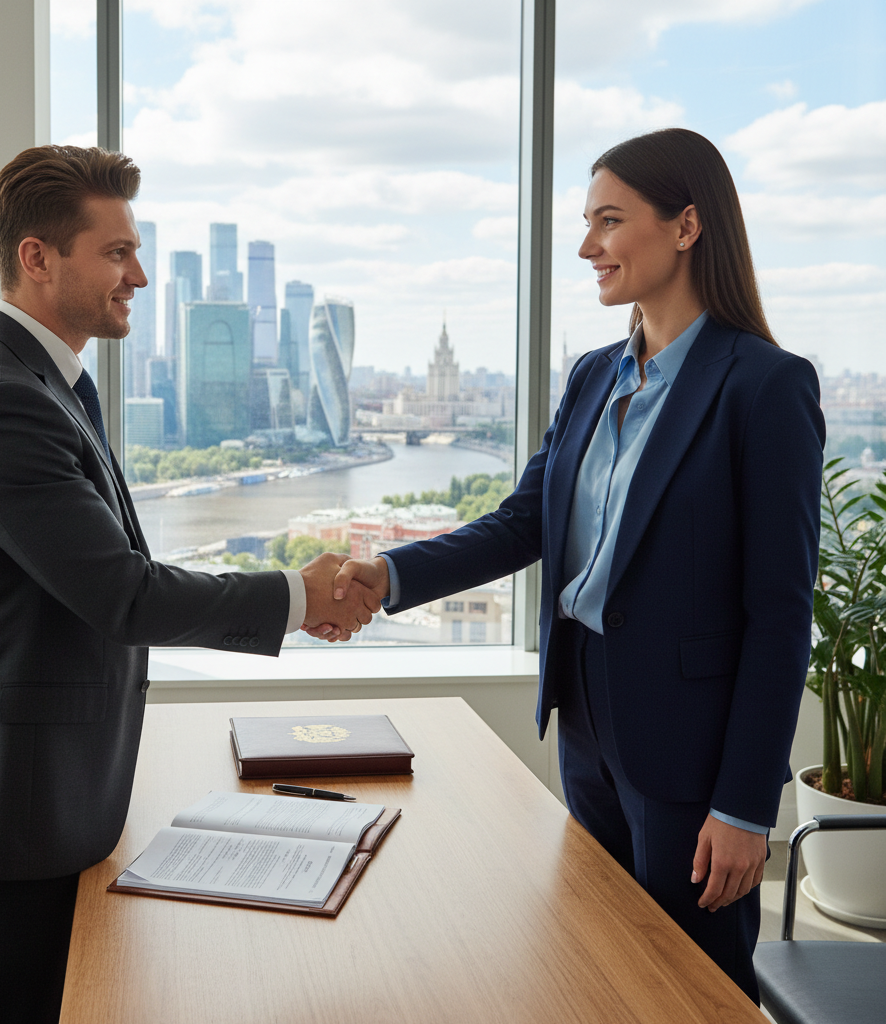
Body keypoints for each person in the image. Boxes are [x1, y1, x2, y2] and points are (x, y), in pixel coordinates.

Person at [322, 128, 825, 1002]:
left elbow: (780, 617)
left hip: (689, 740)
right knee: (600, 960)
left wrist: (746, 804)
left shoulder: (765, 387)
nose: (587, 247)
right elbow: (526, 523)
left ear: (686, 226)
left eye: (609, 221)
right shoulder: (595, 376)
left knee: (690, 985)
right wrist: (390, 577)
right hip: (586, 715)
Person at [0, 145, 379, 1024]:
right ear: (38, 258)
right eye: (117, 252)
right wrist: (300, 598)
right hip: (8, 805)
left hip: (48, 786)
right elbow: (124, 595)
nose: (140, 275)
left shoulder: (52, 386)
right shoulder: (0, 403)